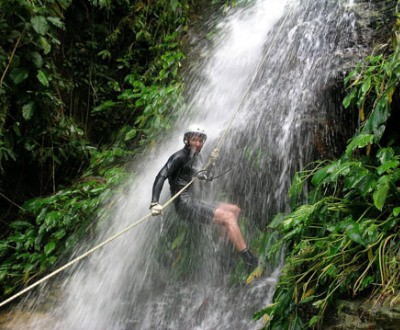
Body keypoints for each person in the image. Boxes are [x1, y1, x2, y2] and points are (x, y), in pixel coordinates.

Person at [150, 124, 258, 271]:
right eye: (194, 140)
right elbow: (161, 176)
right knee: (229, 218)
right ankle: (249, 260)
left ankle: (222, 252)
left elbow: (204, 176)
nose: (197, 143)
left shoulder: (197, 157)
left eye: (200, 141)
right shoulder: (179, 157)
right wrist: (154, 202)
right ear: (187, 140)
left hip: (194, 201)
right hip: (184, 204)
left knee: (235, 210)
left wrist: (211, 164)